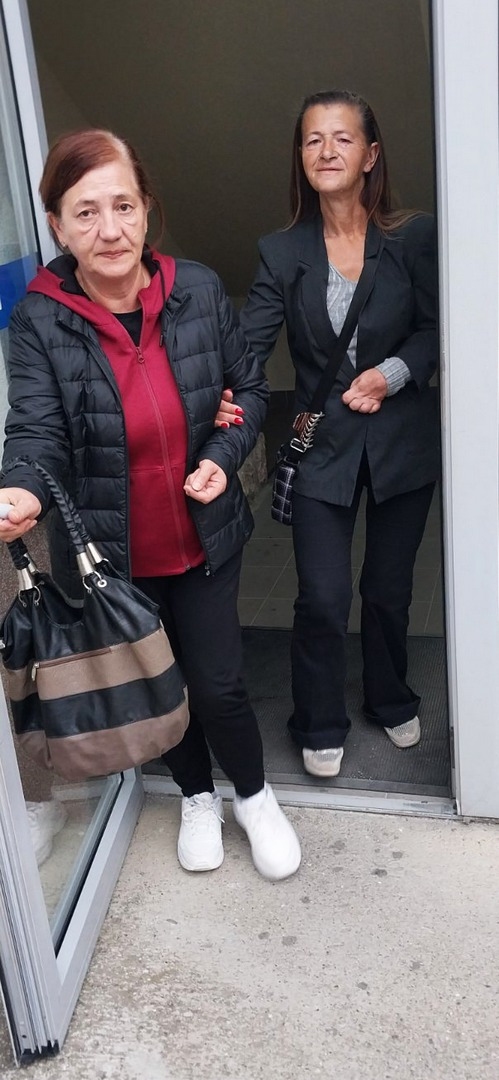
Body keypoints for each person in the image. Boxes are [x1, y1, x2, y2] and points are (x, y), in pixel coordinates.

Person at [0, 129, 301, 880]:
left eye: (124, 206)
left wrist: (221, 457)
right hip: (110, 553)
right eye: (86, 212)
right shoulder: (40, 319)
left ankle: (254, 796)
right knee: (158, 685)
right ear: (57, 226)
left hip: (203, 533)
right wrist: (21, 487)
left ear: (146, 209)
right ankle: (196, 794)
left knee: (219, 683)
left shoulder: (196, 288)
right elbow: (36, 427)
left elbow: (248, 387)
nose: (110, 229)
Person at [219, 89, 439, 779]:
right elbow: (248, 346)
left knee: (388, 588)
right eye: (313, 139)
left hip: (402, 441)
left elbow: (436, 329)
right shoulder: (281, 252)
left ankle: (389, 696)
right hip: (323, 447)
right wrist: (219, 393)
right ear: (301, 156)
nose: (327, 150)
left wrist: (391, 375)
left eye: (342, 138)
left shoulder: (412, 238)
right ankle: (316, 719)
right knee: (321, 594)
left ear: (370, 155)